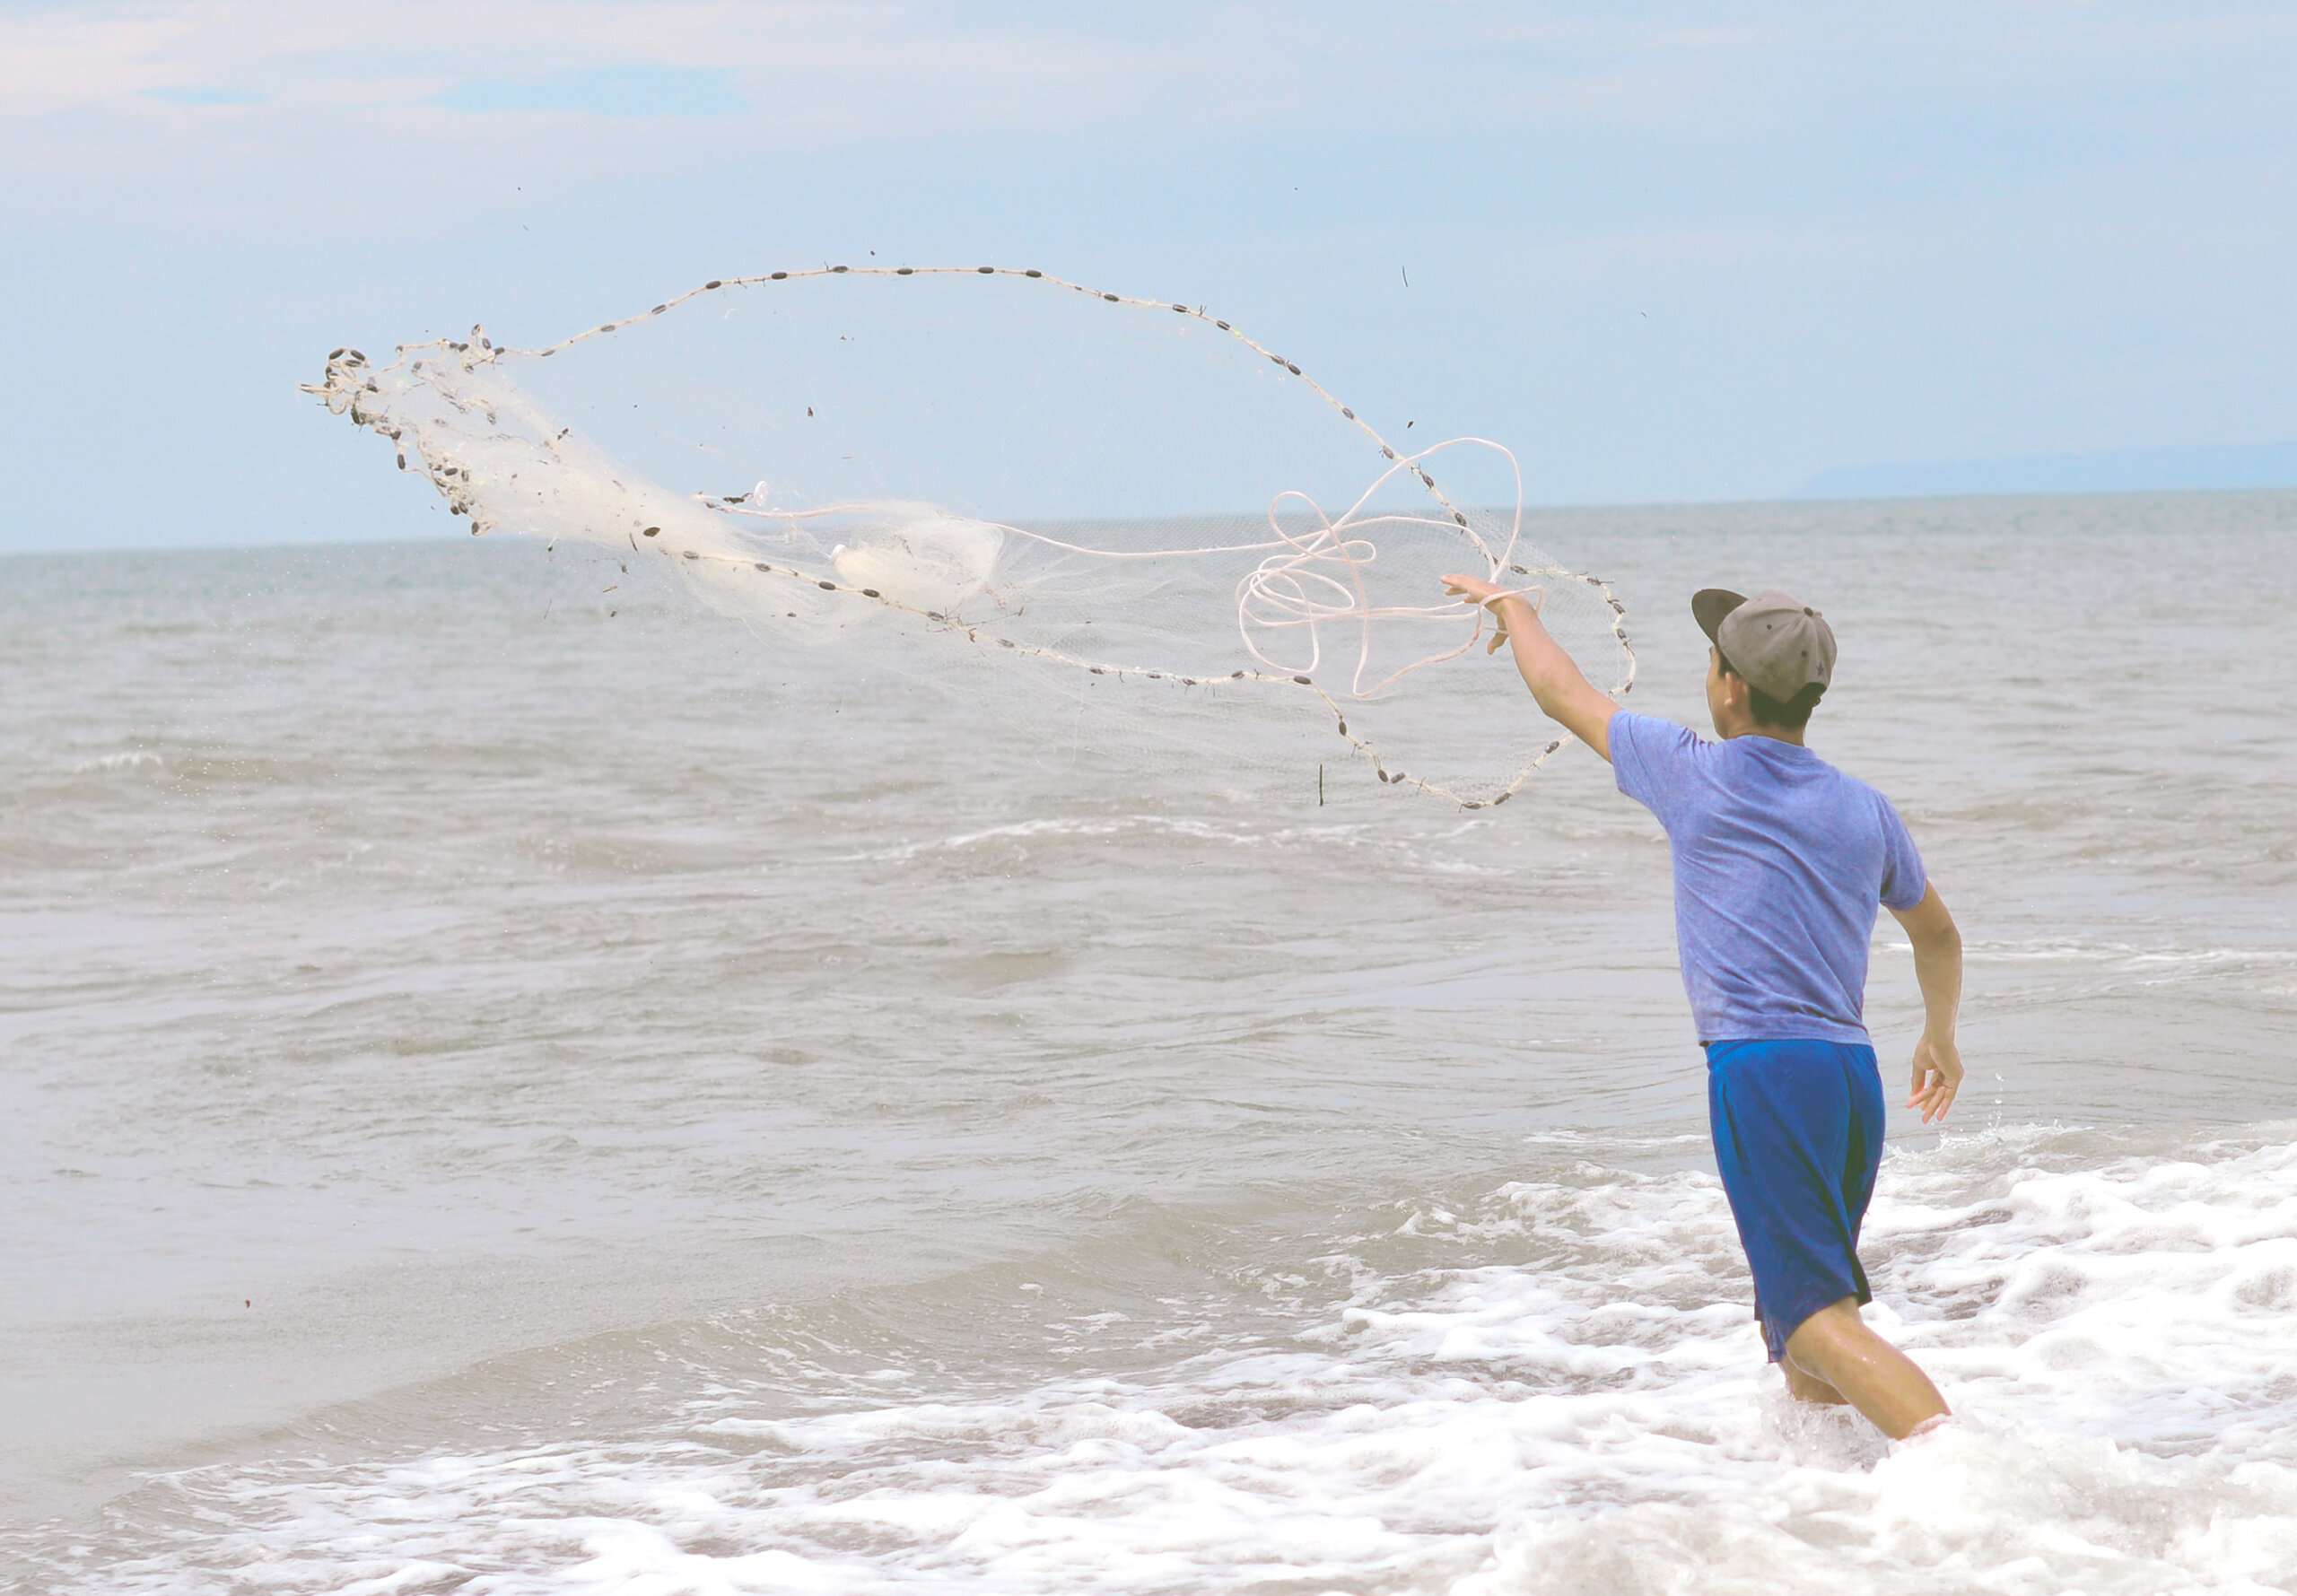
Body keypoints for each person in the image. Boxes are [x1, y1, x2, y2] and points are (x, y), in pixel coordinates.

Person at [1439, 572, 1965, 1441]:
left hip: (1764, 1068)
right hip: (1849, 1074)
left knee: (1813, 1321)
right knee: (1797, 1327)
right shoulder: (1863, 808)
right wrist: (1939, 1037)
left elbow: (1560, 691)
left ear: (1726, 681)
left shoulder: (1693, 772)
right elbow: (1937, 935)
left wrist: (1514, 609)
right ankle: (1841, 1504)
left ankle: (1968, 1475)